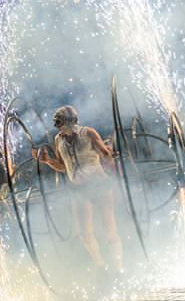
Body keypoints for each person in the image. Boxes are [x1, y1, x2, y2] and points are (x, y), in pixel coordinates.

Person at [34, 105, 123, 272]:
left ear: (69, 120)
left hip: (99, 185)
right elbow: (63, 166)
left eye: (59, 121)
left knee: (109, 230)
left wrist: (110, 152)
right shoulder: (58, 140)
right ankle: (101, 267)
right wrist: (47, 161)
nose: (57, 126)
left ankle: (119, 268)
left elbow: (105, 154)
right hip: (79, 190)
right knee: (85, 234)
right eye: (56, 123)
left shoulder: (88, 133)